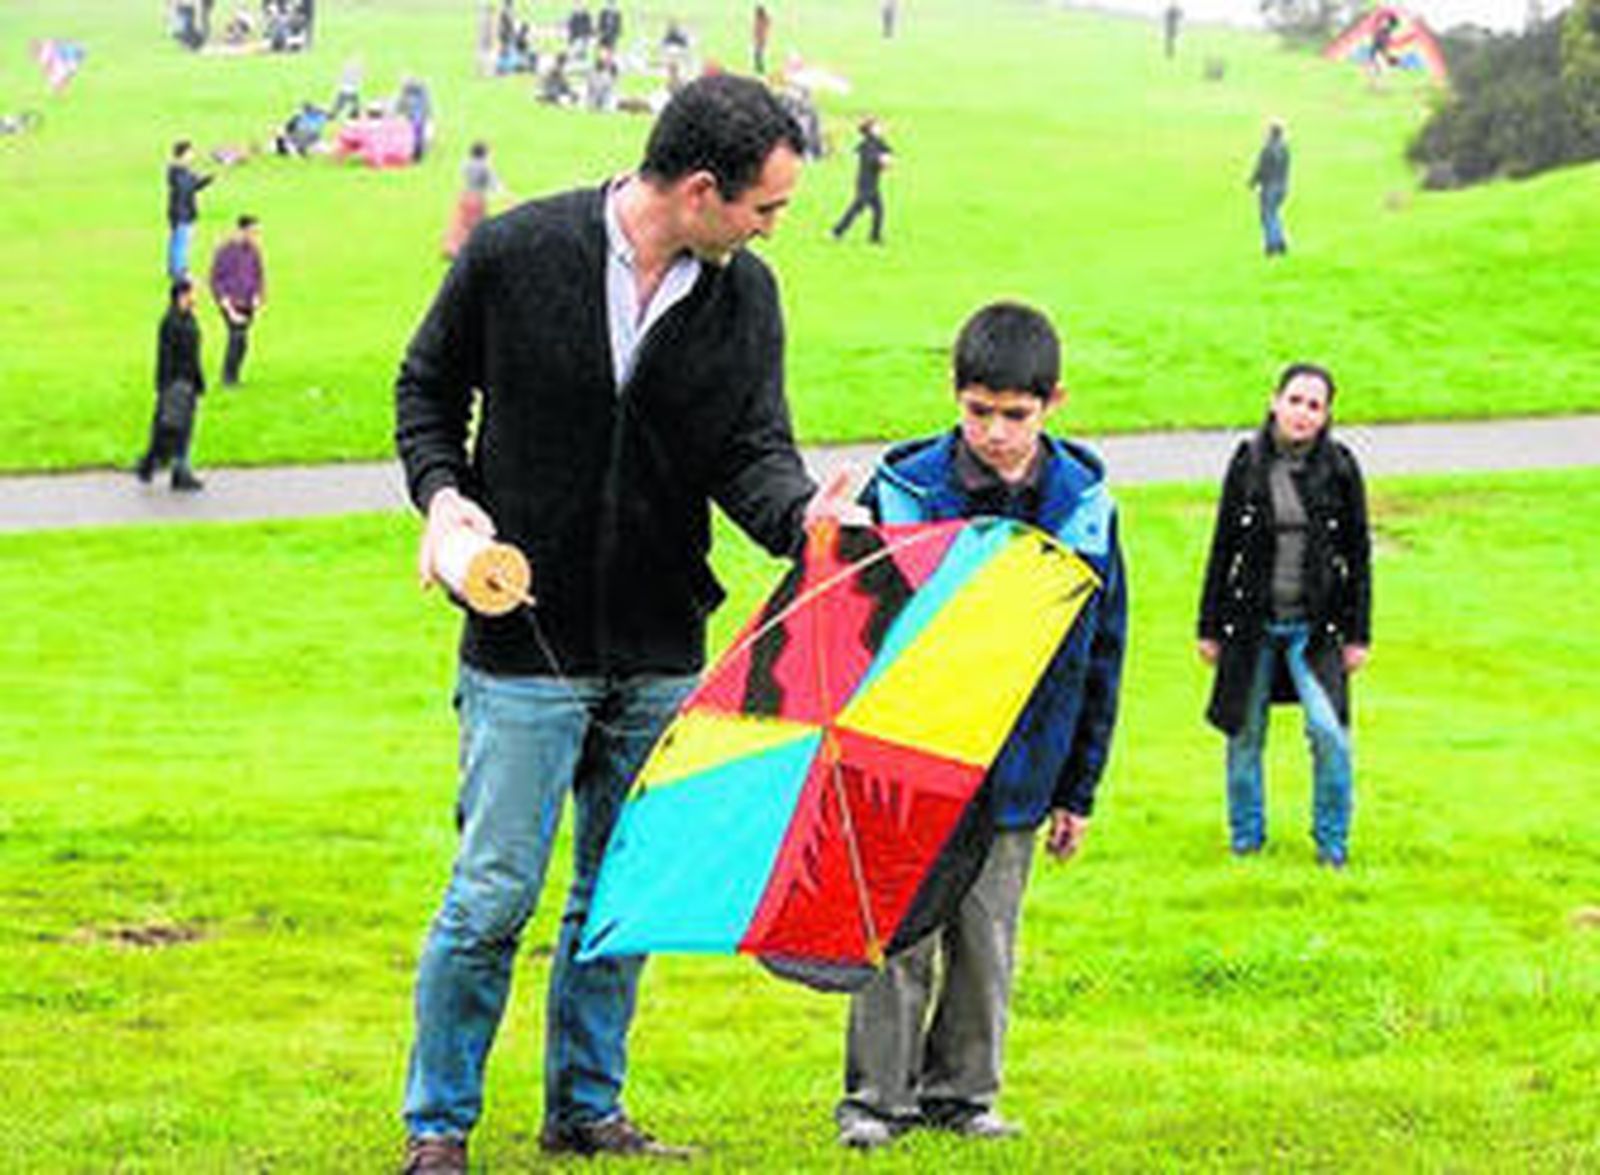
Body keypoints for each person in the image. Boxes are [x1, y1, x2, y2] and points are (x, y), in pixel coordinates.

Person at [393, 74, 855, 1174]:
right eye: (764, 206)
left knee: (623, 897)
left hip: (659, 650)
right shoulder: (515, 253)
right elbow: (426, 387)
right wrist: (443, 495)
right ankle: (438, 1128)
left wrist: (804, 517)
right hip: (522, 649)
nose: (770, 227)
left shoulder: (746, 298)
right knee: (493, 894)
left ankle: (586, 1111)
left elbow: (751, 451)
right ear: (700, 191)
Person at [834, 301, 1127, 1150]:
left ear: (1053, 402)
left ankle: (963, 1094)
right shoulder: (905, 492)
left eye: (1016, 414)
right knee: (898, 932)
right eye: (979, 410)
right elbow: (853, 627)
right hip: (909, 756)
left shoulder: (1084, 507)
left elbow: (1102, 652)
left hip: (1021, 766)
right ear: (955, 395)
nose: (996, 432)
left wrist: (1078, 787)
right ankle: (876, 1099)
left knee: (986, 936)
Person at [1196, 363, 1371, 868]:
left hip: (1315, 629)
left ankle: (1332, 847)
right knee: (1245, 734)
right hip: (1250, 624)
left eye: (1315, 405)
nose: (1302, 413)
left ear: (1327, 415)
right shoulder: (1248, 462)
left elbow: (1358, 554)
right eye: (1295, 400)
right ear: (1275, 402)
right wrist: (1208, 626)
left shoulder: (1340, 467)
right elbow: (1223, 545)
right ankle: (1246, 841)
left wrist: (1358, 635)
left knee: (1329, 733)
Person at [134, 279, 207, 492]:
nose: (196, 297)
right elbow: (165, 356)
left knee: (176, 431)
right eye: (192, 293)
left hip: (188, 381)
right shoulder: (170, 322)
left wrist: (198, 381)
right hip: (176, 383)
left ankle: (160, 468)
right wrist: (166, 386)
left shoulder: (188, 318)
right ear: (182, 295)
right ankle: (171, 470)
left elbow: (194, 354)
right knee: (173, 431)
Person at [208, 215, 266, 386]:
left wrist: (258, 296)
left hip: (248, 303)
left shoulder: (254, 251)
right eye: (253, 232)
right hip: (231, 303)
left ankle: (233, 376)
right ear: (242, 230)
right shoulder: (225, 251)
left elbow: (259, 275)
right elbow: (216, 280)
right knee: (237, 337)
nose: (255, 236)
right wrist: (226, 305)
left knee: (242, 342)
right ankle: (228, 377)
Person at [831, 117, 892, 244]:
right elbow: (873, 160)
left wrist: (886, 159)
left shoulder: (876, 142)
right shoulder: (868, 144)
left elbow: (886, 151)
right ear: (870, 130)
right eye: (876, 126)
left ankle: (874, 237)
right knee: (857, 209)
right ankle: (837, 231)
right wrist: (882, 161)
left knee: (878, 211)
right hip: (866, 184)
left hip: (872, 183)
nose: (880, 128)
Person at [441, 141, 500, 258]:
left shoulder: (465, 164)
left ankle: (452, 249)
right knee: (477, 225)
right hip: (478, 198)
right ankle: (475, 250)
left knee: (460, 223)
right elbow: (494, 185)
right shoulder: (485, 167)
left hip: (464, 195)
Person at [166, 140, 214, 280]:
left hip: (184, 211)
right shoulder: (177, 171)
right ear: (183, 153)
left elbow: (194, 186)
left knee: (178, 242)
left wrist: (207, 180)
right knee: (181, 243)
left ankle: (175, 269)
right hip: (181, 212)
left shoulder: (183, 171)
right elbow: (186, 188)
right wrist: (196, 180)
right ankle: (180, 271)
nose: (192, 155)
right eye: (190, 152)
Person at [1247, 119, 1290, 257]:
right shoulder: (1285, 149)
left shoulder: (1267, 149)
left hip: (1270, 188)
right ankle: (1281, 242)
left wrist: (1252, 182)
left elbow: (1261, 169)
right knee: (1274, 214)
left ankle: (1272, 245)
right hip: (1282, 187)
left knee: (1267, 217)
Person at [752, 4, 772, 75]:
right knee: (757, 55)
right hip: (759, 40)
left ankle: (760, 69)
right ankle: (759, 68)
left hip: (761, 40)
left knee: (758, 55)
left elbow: (768, 22)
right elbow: (755, 30)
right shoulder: (759, 20)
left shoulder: (762, 20)